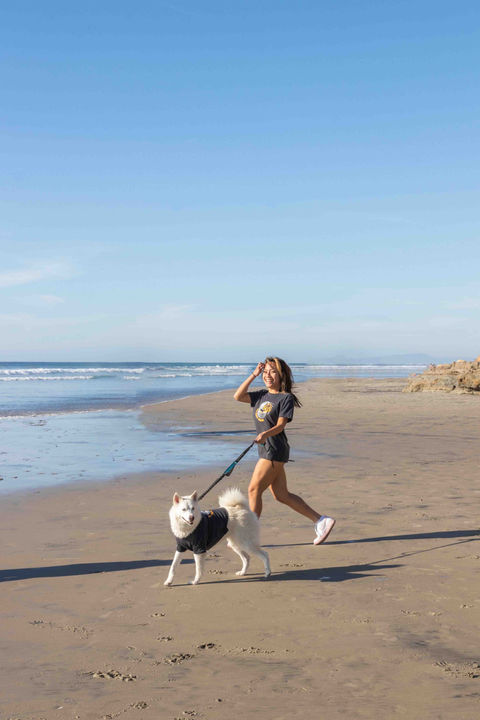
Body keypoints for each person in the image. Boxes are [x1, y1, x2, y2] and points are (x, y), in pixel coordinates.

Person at [233, 356, 335, 545]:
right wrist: (253, 374)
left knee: (254, 489)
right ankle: (321, 520)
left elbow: (281, 425)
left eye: (272, 372)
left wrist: (265, 435)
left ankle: (248, 535)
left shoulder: (285, 398)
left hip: (274, 449)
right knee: (281, 495)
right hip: (267, 449)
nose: (268, 375)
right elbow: (238, 396)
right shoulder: (261, 395)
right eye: (265, 372)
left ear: (281, 375)